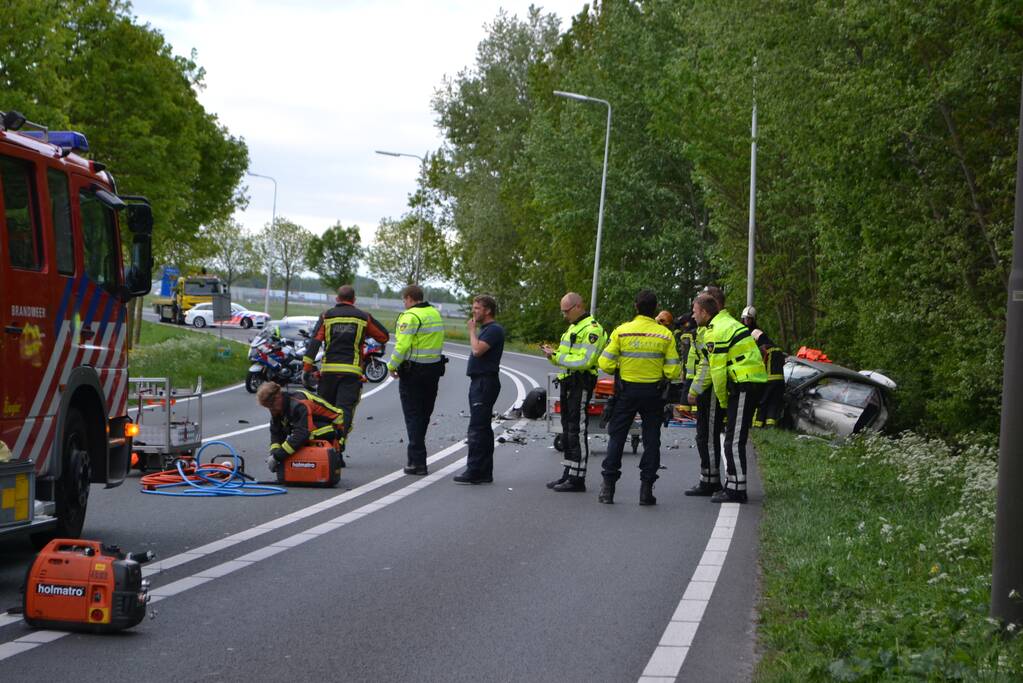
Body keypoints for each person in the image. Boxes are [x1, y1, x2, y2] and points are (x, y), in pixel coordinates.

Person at [596, 289, 681, 505]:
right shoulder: (665, 335)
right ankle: (646, 491)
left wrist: (622, 365)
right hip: (653, 393)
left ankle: (608, 490)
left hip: (626, 392)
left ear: (636, 306)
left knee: (617, 437)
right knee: (651, 439)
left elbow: (604, 363)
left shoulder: (622, 332)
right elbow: (673, 371)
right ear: (655, 309)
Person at [698, 293, 767, 503]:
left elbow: (717, 372)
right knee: (733, 437)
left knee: (734, 439)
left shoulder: (715, 331)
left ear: (704, 312)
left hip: (744, 383)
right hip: (748, 381)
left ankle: (737, 489)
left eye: (694, 311)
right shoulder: (725, 323)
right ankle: (733, 484)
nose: (692, 316)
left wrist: (723, 402)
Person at [303, 285, 389, 445]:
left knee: (325, 410)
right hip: (351, 373)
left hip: (328, 373)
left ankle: (325, 446)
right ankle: (339, 444)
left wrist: (306, 369)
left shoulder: (326, 316)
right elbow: (384, 336)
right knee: (345, 410)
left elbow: (314, 343)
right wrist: (364, 335)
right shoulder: (363, 317)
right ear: (354, 300)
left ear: (337, 299)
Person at [541, 292, 607, 492]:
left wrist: (557, 356)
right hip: (568, 381)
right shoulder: (574, 327)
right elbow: (568, 356)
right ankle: (568, 472)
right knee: (567, 428)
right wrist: (553, 355)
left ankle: (578, 478)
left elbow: (584, 361)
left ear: (578, 306)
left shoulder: (592, 330)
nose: (564, 315)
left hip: (581, 382)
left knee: (576, 429)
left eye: (566, 311)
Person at [388, 284, 447, 476]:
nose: (404, 303)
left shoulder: (410, 316)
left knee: (413, 415)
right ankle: (415, 459)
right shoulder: (435, 314)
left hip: (413, 372)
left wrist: (391, 366)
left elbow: (402, 346)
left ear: (409, 298)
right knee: (423, 415)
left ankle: (418, 462)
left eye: (404, 300)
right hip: (433, 371)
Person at [454, 295, 505, 484]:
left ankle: (474, 470)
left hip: (485, 382)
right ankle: (484, 471)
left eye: (477, 308)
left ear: (487, 310)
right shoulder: (487, 329)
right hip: (480, 381)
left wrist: (471, 330)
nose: (473, 311)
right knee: (483, 428)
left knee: (477, 428)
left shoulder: (493, 330)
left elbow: (477, 350)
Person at [685, 287, 727, 497]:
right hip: (705, 387)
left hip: (709, 389)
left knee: (708, 435)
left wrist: (695, 389)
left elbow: (708, 364)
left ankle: (711, 480)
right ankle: (707, 477)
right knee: (703, 435)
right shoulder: (705, 328)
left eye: (697, 308)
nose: (694, 313)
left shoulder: (714, 329)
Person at [255, 381, 346, 472]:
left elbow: (302, 434)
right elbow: (276, 433)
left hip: (335, 426)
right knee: (292, 437)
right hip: (313, 422)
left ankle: (334, 454)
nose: (271, 410)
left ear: (278, 397)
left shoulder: (299, 404)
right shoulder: (278, 408)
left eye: (272, 406)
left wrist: (278, 457)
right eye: (268, 407)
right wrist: (274, 453)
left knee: (303, 436)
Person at [741, 306, 786, 428]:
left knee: (762, 400)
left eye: (749, 319)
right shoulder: (757, 335)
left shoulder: (755, 334)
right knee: (771, 402)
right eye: (745, 319)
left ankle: (757, 425)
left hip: (765, 375)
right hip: (776, 376)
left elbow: (755, 354)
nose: (747, 321)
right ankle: (769, 426)